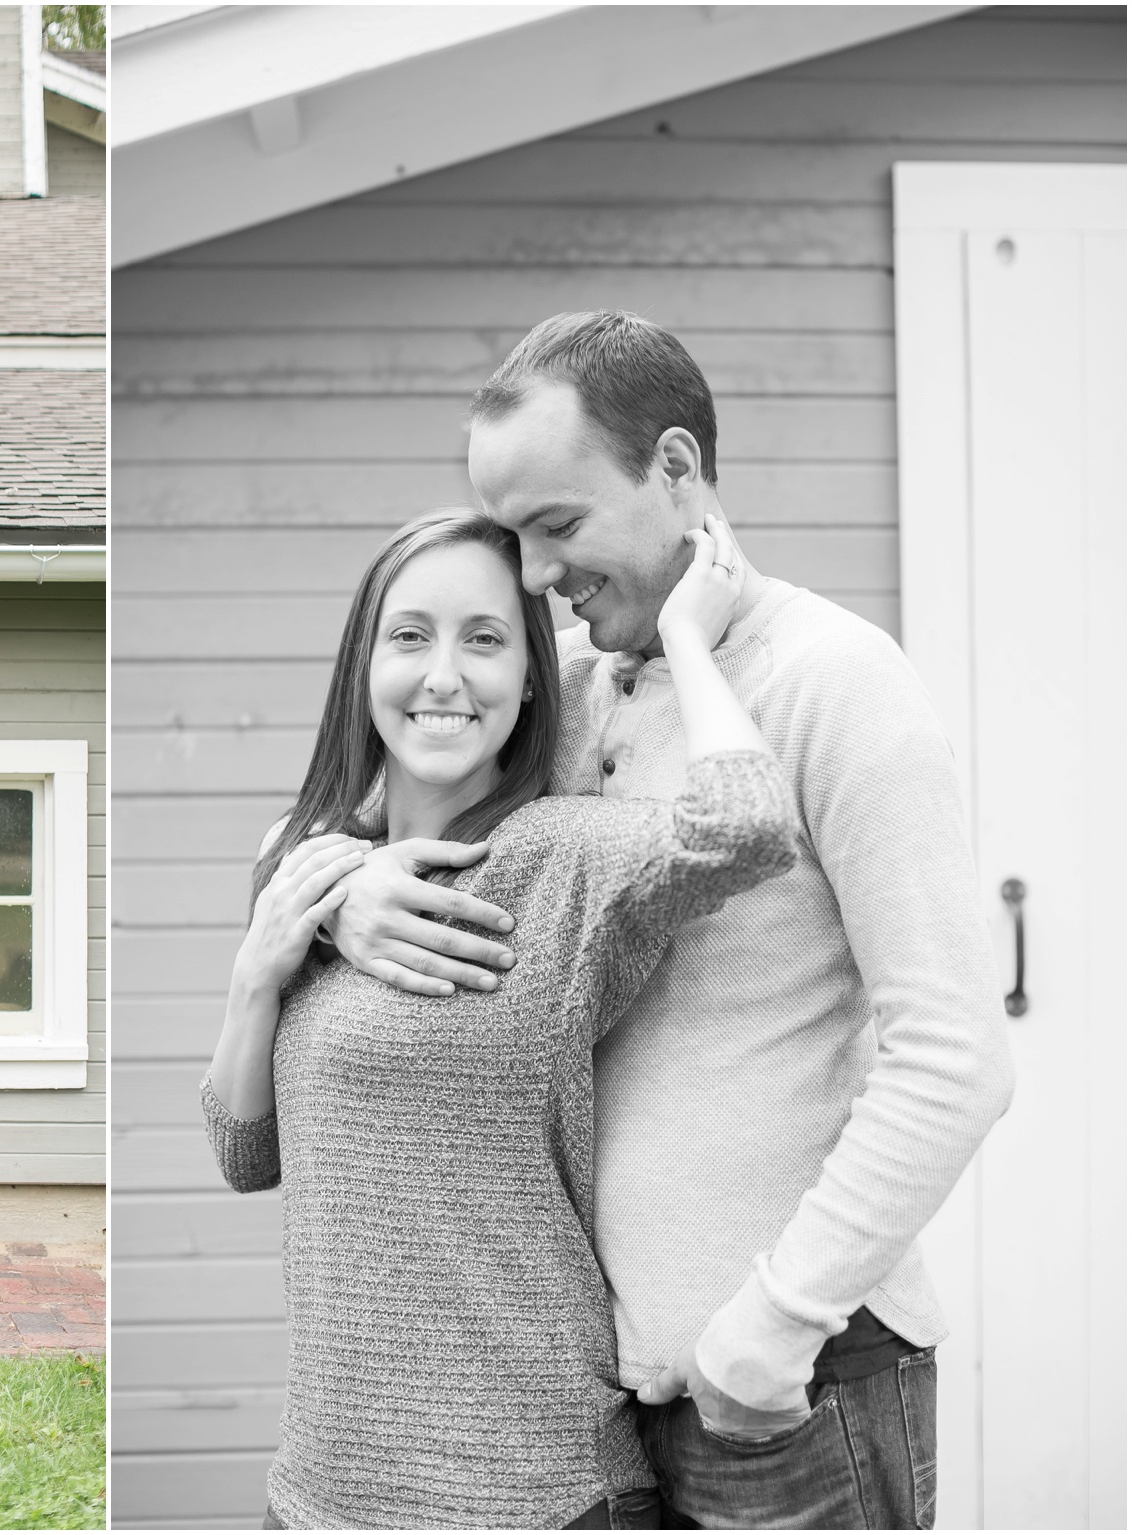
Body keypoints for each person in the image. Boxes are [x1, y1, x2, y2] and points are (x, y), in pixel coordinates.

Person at [321, 312, 1015, 1527]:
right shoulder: (579, 694)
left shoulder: (834, 682)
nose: (536, 579)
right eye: (515, 537)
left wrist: (771, 1325)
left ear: (677, 470)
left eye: (559, 526)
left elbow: (954, 1055)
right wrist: (342, 895)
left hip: (790, 1389)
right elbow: (368, 811)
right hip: (620, 1402)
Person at [206, 507, 798, 1529]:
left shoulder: (563, 856)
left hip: (530, 1490)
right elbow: (244, 1152)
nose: (443, 674)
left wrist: (686, 638)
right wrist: (257, 970)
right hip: (319, 1494)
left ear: (533, 677)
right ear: (361, 665)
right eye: (409, 635)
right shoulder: (307, 865)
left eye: (483, 638)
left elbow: (744, 828)